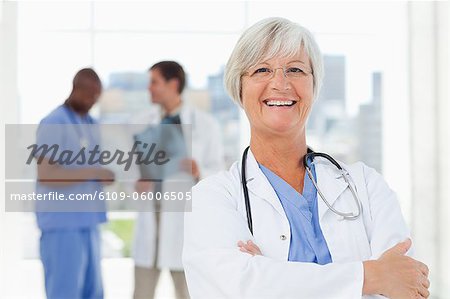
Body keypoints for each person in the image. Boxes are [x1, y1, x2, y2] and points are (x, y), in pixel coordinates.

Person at [182, 18, 430, 298]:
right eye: (262, 69)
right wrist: (371, 275)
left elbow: (406, 285)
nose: (280, 83)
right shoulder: (211, 198)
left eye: (296, 70)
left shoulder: (366, 186)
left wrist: (270, 274)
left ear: (314, 86)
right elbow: (235, 287)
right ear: (239, 88)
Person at [132, 61, 224, 299]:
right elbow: (131, 165)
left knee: (187, 293)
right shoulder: (143, 121)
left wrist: (198, 169)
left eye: (154, 82)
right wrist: (136, 179)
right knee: (141, 292)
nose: (149, 88)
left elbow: (219, 171)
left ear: (173, 84)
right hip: (151, 216)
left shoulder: (205, 124)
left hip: (184, 224)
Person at [35, 68, 114, 299]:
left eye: (97, 96)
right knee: (65, 292)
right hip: (62, 225)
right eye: (89, 95)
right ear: (75, 88)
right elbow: (46, 173)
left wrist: (103, 175)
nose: (93, 101)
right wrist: (93, 172)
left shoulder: (90, 123)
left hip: (88, 223)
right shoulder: (54, 122)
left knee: (93, 293)